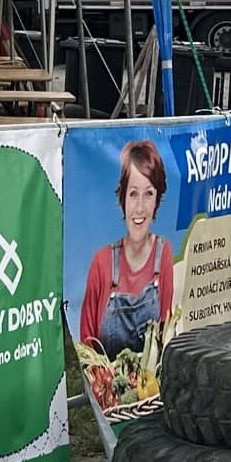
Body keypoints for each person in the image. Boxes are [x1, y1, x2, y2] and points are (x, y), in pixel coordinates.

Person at [77, 139, 178, 360]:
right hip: (106, 390)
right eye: (133, 193)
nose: (140, 207)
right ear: (122, 198)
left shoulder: (164, 254)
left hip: (150, 390)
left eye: (149, 194)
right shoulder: (101, 262)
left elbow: (164, 340)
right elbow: (86, 349)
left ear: (157, 201)